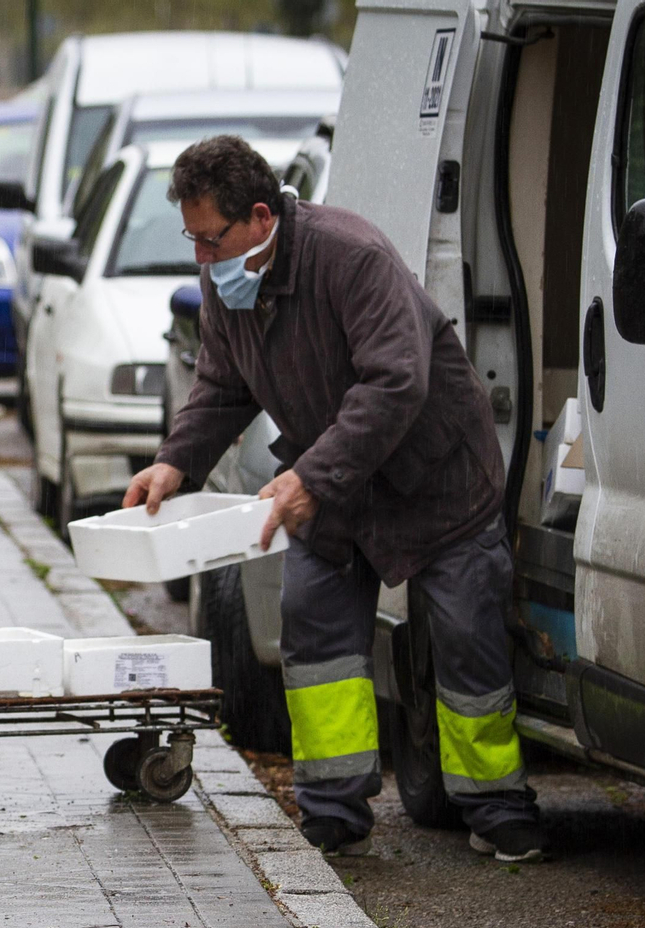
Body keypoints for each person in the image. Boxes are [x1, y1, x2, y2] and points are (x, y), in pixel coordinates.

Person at [124, 135, 544, 862]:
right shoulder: (227, 283)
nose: (201, 257)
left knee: (467, 640)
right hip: (337, 483)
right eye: (191, 239)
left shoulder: (351, 257)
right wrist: (173, 463)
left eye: (210, 238)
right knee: (313, 630)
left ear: (261, 217)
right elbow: (222, 387)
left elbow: (395, 384)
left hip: (435, 479)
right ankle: (333, 810)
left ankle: (498, 806)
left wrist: (311, 479)